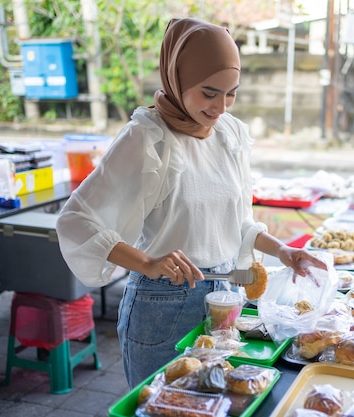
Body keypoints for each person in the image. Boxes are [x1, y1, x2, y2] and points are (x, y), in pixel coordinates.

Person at [56, 17, 327, 388]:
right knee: (165, 406)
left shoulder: (228, 133)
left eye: (231, 92)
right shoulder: (147, 138)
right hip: (161, 306)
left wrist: (282, 252)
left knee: (218, 405)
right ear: (177, 77)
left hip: (224, 299)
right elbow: (75, 220)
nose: (220, 107)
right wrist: (147, 262)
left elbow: (235, 223)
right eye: (209, 92)